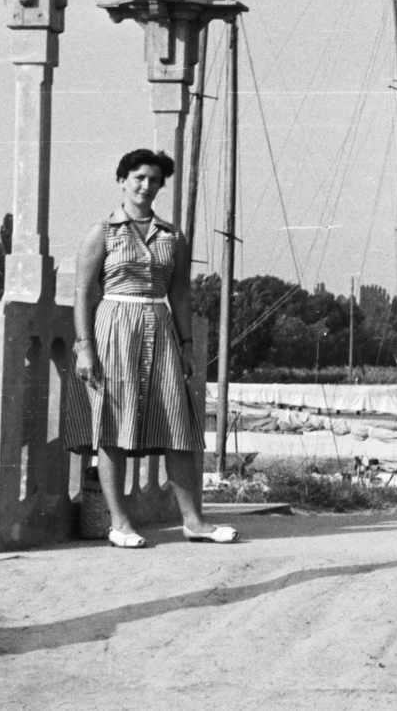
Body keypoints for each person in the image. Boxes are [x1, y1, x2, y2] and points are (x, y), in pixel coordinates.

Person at [62, 148, 237, 548]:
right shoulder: (102, 232)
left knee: (176, 423)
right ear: (123, 180)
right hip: (114, 329)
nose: (146, 186)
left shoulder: (172, 235)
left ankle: (194, 521)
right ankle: (119, 524)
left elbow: (180, 293)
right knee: (112, 425)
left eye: (154, 180)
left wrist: (188, 344)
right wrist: (85, 346)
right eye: (139, 177)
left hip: (159, 328)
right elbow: (83, 292)